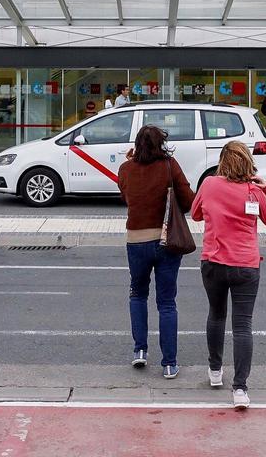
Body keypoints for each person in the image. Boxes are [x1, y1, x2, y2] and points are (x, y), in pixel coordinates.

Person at [190, 141, 266, 410]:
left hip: (213, 262)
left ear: (222, 162)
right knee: (243, 326)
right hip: (246, 265)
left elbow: (195, 215)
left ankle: (215, 371)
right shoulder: (254, 190)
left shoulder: (208, 185)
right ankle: (240, 388)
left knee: (216, 315)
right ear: (247, 163)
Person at [117, 124, 195, 379]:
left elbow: (125, 194)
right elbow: (189, 202)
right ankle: (169, 363)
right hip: (166, 241)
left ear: (137, 144)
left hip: (136, 240)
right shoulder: (170, 167)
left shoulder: (126, 169)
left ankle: (140, 350)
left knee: (137, 294)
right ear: (161, 143)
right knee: (167, 303)